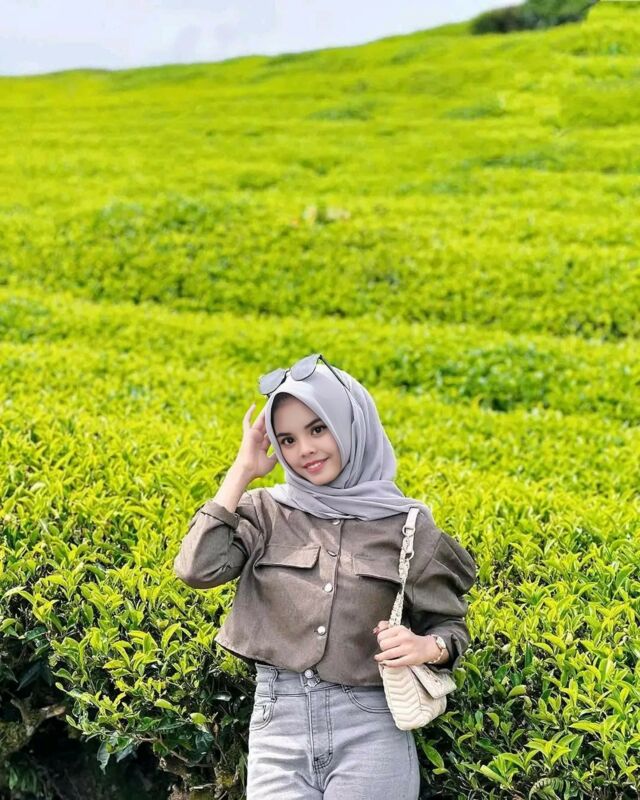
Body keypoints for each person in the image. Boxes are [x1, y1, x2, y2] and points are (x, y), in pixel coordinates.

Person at [174, 354, 477, 799]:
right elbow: (197, 568)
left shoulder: (408, 526)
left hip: (371, 725)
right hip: (277, 725)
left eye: (318, 429)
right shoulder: (265, 512)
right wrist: (242, 470)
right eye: (287, 439)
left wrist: (426, 647)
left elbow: (450, 626)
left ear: (351, 424)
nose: (305, 450)